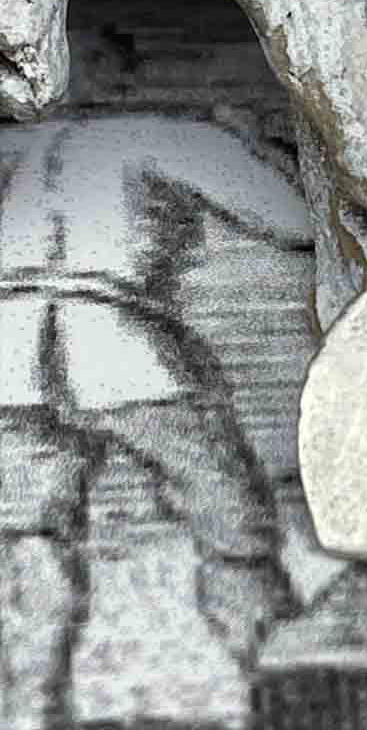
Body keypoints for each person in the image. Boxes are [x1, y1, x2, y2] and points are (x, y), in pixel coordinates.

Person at [0, 109, 313, 726]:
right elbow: (293, 221)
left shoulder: (13, 145)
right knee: (231, 521)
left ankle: (28, 714)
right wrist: (259, 147)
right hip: (116, 341)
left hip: (7, 351)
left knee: (29, 542)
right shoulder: (170, 135)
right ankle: (282, 690)